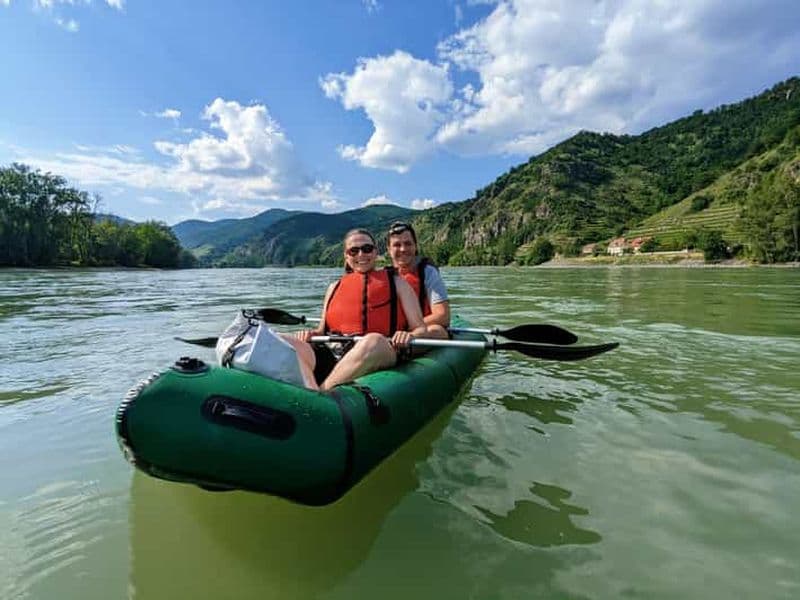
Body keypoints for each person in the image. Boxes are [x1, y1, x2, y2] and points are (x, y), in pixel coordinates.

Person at [282, 228, 428, 391]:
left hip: (382, 349)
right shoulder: (334, 287)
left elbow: (420, 328)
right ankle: (307, 387)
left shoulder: (398, 283)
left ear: (375, 252)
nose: (361, 255)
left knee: (373, 341)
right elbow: (321, 330)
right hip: (335, 352)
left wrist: (410, 335)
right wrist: (310, 334)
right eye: (354, 251)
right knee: (283, 340)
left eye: (367, 249)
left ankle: (322, 393)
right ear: (346, 255)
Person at [386, 221, 450, 339]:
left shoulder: (428, 272)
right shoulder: (383, 277)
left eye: (408, 243)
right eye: (397, 245)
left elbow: (442, 316)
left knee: (437, 330)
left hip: (422, 331)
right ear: (389, 249)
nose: (403, 249)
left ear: (415, 246)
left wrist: (407, 330)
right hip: (391, 333)